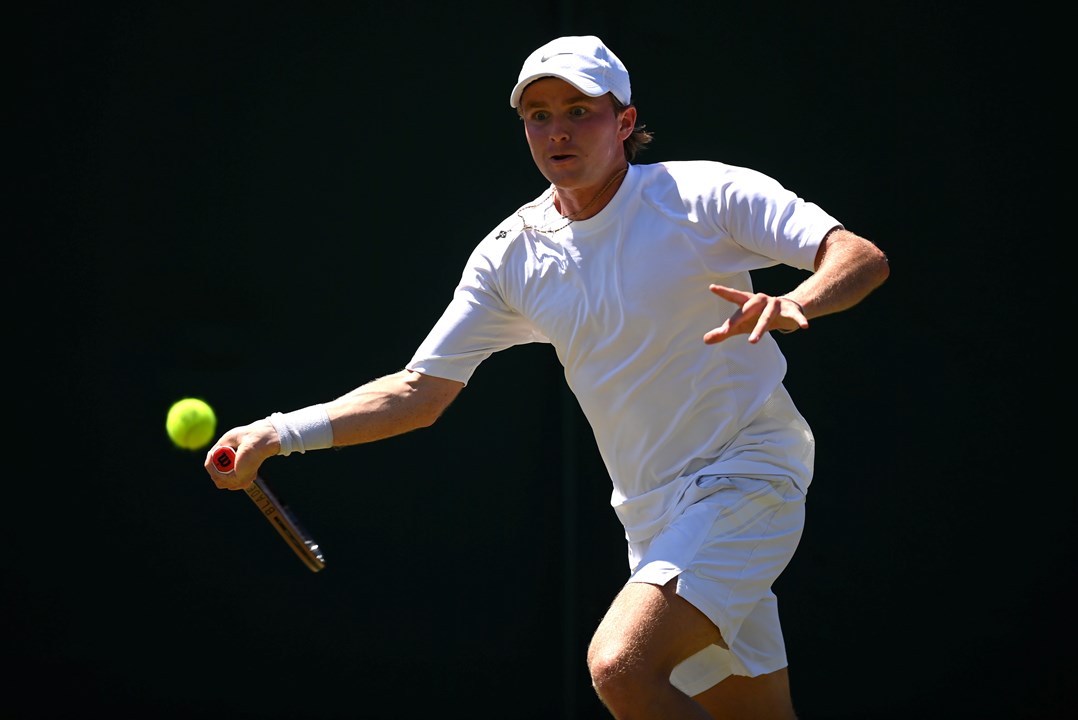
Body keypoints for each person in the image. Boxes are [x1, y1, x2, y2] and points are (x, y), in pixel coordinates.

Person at [205, 34, 889, 719]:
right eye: (538, 115)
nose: (556, 130)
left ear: (624, 122)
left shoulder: (705, 194)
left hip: (749, 474)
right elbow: (418, 393)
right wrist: (276, 432)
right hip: (652, 516)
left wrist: (795, 302)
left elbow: (857, 256)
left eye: (579, 111)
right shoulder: (510, 256)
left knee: (621, 670)